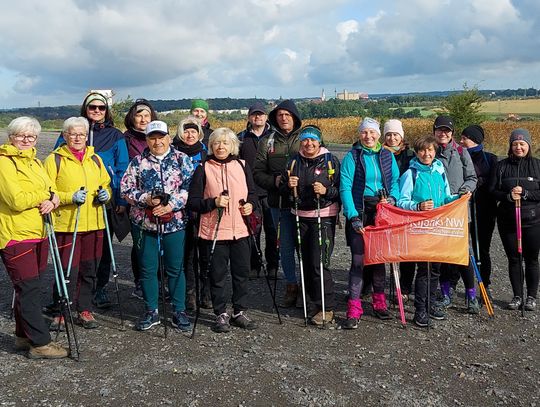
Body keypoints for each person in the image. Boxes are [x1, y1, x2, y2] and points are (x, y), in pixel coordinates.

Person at [0, 117, 68, 359]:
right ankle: (40, 343)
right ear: (11, 137)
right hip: (15, 235)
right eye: (21, 135)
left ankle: (22, 335)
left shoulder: (35, 162)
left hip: (38, 233)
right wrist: (45, 194)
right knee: (28, 288)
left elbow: (53, 190)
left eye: (31, 136)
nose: (26, 140)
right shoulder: (4, 163)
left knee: (28, 288)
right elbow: (16, 200)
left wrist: (54, 199)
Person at [55, 92, 129, 309]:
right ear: (85, 109)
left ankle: (100, 288)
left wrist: (120, 199)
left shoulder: (116, 135)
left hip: (102, 201)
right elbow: (57, 160)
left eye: (101, 108)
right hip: (75, 204)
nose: (97, 111)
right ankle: (64, 296)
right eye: (92, 107)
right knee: (71, 253)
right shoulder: (70, 132)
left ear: (107, 111)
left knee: (102, 249)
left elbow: (122, 168)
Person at [121, 120, 194, 331]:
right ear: (147, 140)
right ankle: (151, 310)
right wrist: (146, 198)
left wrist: (171, 205)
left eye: (161, 137)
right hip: (144, 223)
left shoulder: (182, 160)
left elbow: (189, 188)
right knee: (148, 268)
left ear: (169, 138)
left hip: (175, 223)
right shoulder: (137, 162)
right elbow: (126, 189)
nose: (157, 141)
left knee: (175, 268)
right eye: (152, 137)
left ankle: (178, 310)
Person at [44, 117, 112, 330]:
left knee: (89, 268)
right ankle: (61, 311)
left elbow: (106, 185)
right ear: (65, 135)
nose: (77, 138)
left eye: (81, 134)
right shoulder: (54, 159)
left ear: (86, 136)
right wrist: (68, 197)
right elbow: (47, 191)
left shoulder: (95, 159)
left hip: (94, 223)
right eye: (72, 133)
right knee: (66, 270)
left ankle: (84, 308)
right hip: (67, 224)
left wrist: (105, 195)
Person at [188, 128, 258, 333]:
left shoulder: (242, 165)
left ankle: (239, 311)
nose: (221, 147)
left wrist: (251, 205)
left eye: (225, 143)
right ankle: (220, 313)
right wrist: (213, 202)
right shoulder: (203, 168)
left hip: (241, 230)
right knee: (217, 275)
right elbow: (193, 202)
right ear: (211, 146)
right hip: (214, 231)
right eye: (217, 143)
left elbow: (252, 194)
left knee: (241, 273)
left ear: (232, 146)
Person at [340, 117, 400, 329]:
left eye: (372, 133)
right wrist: (352, 215)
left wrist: (392, 199)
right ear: (360, 134)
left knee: (378, 259)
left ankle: (379, 303)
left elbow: (395, 182)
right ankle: (354, 308)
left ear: (378, 135)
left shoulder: (386, 156)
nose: (368, 136)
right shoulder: (352, 157)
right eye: (365, 132)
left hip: (381, 210)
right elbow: (345, 187)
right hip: (360, 210)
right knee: (358, 260)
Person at [280, 125, 341, 325]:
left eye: (313, 139)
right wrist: (288, 186)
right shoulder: (293, 161)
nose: (309, 143)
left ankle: (327, 307)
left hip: (322, 216)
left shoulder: (330, 161)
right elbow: (282, 189)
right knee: (305, 262)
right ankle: (313, 302)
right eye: (305, 139)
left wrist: (325, 191)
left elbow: (340, 190)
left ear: (319, 141)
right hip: (300, 215)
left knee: (319, 263)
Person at [398, 135, 460, 326]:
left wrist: (460, 197)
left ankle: (431, 303)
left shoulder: (440, 171)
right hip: (419, 229)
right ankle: (420, 310)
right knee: (424, 270)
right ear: (417, 153)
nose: (427, 154)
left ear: (435, 152)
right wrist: (418, 206)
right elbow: (401, 201)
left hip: (438, 228)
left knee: (435, 270)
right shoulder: (411, 174)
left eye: (430, 150)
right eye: (423, 150)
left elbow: (446, 197)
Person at [253, 99, 302, 308]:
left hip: (305, 202)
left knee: (306, 247)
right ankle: (291, 285)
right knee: (286, 246)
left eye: (287, 115)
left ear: (294, 117)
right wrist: (274, 181)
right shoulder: (268, 141)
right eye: (280, 115)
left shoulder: (306, 139)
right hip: (278, 201)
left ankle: (309, 285)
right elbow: (257, 172)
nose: (283, 118)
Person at [489, 128, 540, 311]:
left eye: (522, 144)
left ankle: (531, 297)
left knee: (532, 259)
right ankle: (518, 295)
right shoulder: (501, 166)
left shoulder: (537, 165)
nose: (518, 147)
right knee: (514, 258)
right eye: (515, 144)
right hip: (508, 221)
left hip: (533, 221)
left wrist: (525, 193)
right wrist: (508, 196)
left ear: (528, 145)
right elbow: (492, 190)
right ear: (510, 145)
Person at [433, 115, 479, 313]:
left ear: (452, 132)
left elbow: (471, 177)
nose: (443, 133)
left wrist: (466, 190)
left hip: (458, 211)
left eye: (447, 130)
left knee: (462, 255)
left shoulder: (461, 151)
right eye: (439, 130)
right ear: (434, 131)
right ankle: (445, 294)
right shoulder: (430, 150)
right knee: (442, 255)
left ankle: (471, 295)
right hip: (437, 213)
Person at [172, 116, 209, 311]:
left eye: (193, 131)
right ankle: (189, 293)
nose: (190, 134)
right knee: (186, 255)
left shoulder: (206, 153)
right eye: (186, 131)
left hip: (203, 207)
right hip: (181, 210)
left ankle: (206, 291)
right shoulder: (173, 153)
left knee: (205, 253)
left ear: (199, 133)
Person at [238, 102, 279, 279]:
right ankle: (254, 265)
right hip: (249, 191)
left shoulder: (274, 137)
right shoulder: (241, 138)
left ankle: (272, 266)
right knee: (252, 231)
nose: (258, 117)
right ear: (249, 117)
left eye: (261, 114)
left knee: (272, 231)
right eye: (254, 114)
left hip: (270, 190)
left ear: (266, 117)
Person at [123, 99, 159, 299]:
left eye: (147, 115)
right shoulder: (125, 139)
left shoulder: (158, 136)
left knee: (160, 242)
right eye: (139, 115)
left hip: (161, 200)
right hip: (137, 199)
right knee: (140, 242)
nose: (143, 119)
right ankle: (140, 281)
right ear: (132, 118)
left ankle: (159, 282)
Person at [459, 125, 498, 299]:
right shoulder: (458, 156)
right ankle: (454, 284)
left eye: (464, 138)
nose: (461, 141)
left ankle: (485, 284)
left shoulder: (490, 158)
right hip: (462, 209)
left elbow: (494, 184)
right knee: (459, 249)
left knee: (483, 249)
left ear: (474, 139)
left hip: (484, 210)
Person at [381, 119, 416, 302]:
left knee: (405, 248)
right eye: (389, 135)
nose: (392, 138)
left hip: (405, 206)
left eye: (395, 135)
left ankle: (405, 286)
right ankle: (372, 286)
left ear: (401, 136)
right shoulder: (379, 154)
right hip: (384, 204)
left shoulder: (410, 156)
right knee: (381, 246)